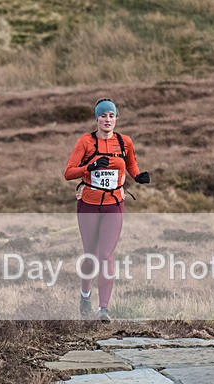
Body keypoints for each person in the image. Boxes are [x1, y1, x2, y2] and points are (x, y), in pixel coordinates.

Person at [63, 98, 150, 322]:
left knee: (106, 255)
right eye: (103, 116)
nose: (107, 120)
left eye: (111, 116)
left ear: (116, 118)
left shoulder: (124, 142)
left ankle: (103, 309)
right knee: (90, 255)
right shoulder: (85, 142)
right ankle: (85, 296)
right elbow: (68, 172)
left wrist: (138, 176)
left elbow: (130, 164)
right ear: (97, 118)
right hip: (89, 204)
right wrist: (89, 166)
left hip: (114, 204)